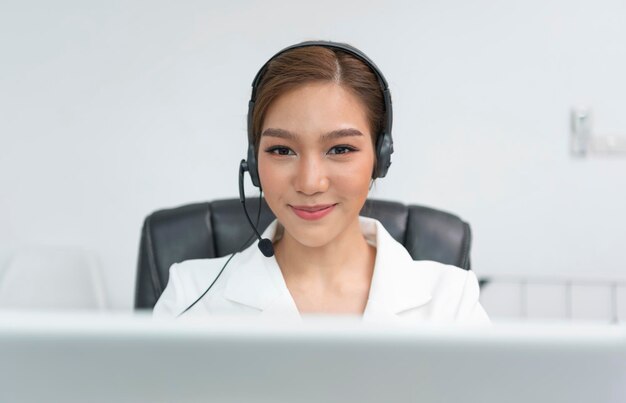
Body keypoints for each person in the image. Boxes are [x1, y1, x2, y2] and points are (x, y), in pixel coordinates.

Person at [153, 41, 489, 324]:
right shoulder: (191, 297)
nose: (310, 182)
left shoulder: (452, 303)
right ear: (254, 163)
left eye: (340, 148)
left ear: (380, 158)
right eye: (282, 150)